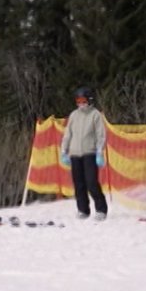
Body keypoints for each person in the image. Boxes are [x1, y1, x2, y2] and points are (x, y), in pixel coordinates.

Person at [59, 86, 109, 221]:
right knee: (78, 183)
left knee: (91, 182)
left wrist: (99, 152)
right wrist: (64, 151)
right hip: (75, 154)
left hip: (90, 153)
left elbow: (101, 135)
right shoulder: (74, 115)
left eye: (83, 100)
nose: (80, 104)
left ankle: (101, 209)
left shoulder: (95, 115)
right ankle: (83, 210)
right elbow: (68, 134)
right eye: (78, 101)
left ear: (89, 100)